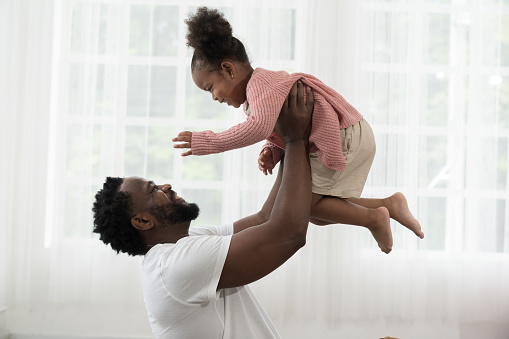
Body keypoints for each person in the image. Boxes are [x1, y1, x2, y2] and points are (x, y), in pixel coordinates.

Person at [172, 7, 424, 254]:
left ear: (228, 69)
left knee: (304, 206)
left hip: (344, 134)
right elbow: (279, 124)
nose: (214, 97)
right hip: (350, 131)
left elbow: (258, 127)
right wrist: (272, 149)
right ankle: (388, 205)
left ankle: (374, 219)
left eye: (210, 88)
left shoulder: (259, 86)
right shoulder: (260, 90)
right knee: (318, 214)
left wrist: (208, 141)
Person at [93, 82, 313, 339]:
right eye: (153, 190)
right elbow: (288, 235)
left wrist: (282, 143)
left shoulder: (189, 242)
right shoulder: (174, 265)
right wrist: (295, 138)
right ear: (142, 221)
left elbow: (266, 218)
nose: (166, 185)